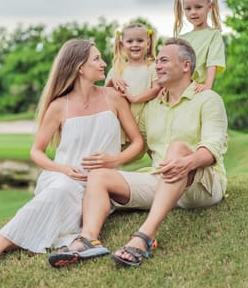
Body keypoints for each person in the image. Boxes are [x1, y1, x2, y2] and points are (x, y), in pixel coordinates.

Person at [0, 39, 144, 279]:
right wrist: (62, 169)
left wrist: (112, 161)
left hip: (100, 185)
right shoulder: (59, 107)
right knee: (61, 191)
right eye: (96, 59)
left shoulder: (113, 97)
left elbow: (137, 143)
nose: (103, 64)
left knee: (52, 213)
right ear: (79, 67)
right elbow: (36, 151)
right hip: (62, 178)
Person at [48, 37, 228, 268]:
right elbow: (137, 146)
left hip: (201, 185)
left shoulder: (208, 99)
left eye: (163, 61)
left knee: (177, 149)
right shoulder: (151, 107)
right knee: (99, 174)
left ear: (186, 66)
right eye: (157, 62)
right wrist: (108, 158)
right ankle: (88, 239)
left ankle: (143, 237)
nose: (157, 67)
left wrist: (187, 162)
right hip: (161, 182)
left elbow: (213, 148)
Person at [105, 23, 162, 150]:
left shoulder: (152, 67)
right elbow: (105, 95)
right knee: (118, 151)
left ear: (148, 43)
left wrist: (135, 99)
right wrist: (112, 81)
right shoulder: (117, 70)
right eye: (130, 41)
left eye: (140, 41)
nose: (135, 44)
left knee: (152, 148)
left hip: (146, 118)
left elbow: (156, 88)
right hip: (122, 120)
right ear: (122, 45)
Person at [173, 0, 226, 92]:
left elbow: (212, 62)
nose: (193, 12)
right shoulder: (181, 39)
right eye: (188, 9)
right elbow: (174, 66)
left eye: (198, 7)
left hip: (197, 88)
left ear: (210, 7)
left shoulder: (213, 35)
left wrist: (207, 86)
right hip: (178, 89)